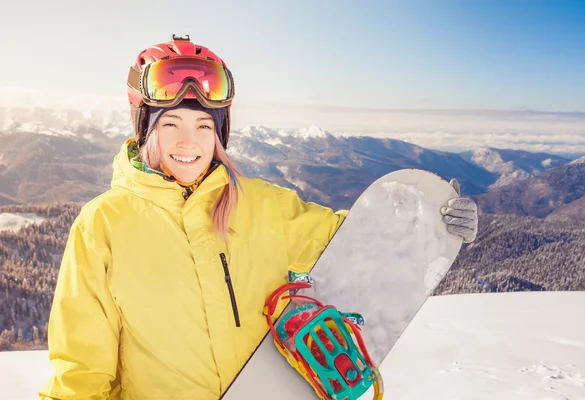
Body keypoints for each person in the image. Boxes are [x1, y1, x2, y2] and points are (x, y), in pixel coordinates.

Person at [39, 35, 478, 399]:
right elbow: (81, 370)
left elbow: (356, 241)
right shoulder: (102, 226)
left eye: (204, 127)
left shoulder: (263, 205)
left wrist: (433, 220)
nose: (188, 142)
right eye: (171, 123)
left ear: (220, 135)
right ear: (146, 128)